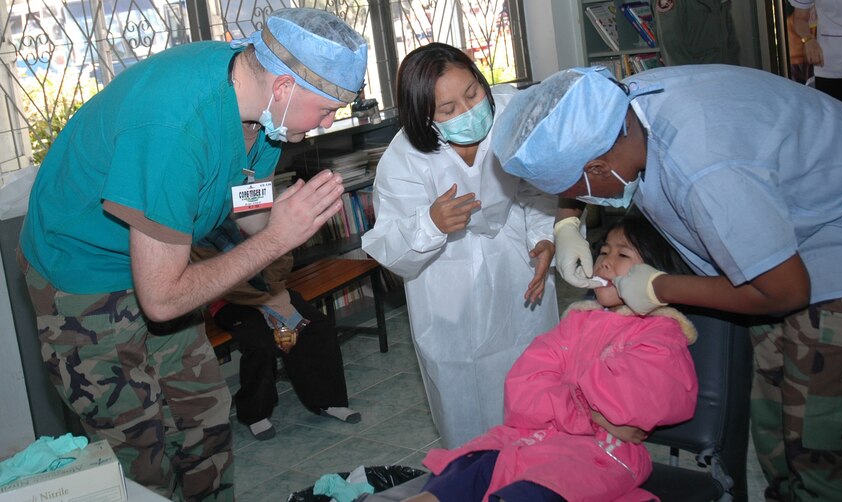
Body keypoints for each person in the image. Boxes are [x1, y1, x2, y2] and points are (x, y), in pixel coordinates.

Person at [491, 65, 842, 501]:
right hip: (783, 231)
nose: (586, 202)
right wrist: (567, 224)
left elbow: (787, 292)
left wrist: (660, 287)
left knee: (825, 447)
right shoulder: (621, 110)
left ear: (599, 165)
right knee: (778, 428)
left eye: (580, 192)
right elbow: (576, 154)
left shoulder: (705, 169)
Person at [17, 8, 367, 500]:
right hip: (84, 275)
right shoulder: (175, 129)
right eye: (327, 108)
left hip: (164, 259)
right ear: (285, 88)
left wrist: (281, 220)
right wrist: (275, 240)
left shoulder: (263, 114)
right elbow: (160, 299)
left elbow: (245, 198)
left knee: (201, 415)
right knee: (138, 445)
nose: (328, 123)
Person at [404, 216, 699, 502]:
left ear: (656, 276)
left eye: (622, 254)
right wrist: (590, 412)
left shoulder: (662, 335)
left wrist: (568, 401)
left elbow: (626, 405)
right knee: (468, 468)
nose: (605, 261)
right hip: (536, 437)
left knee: (536, 487)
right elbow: (523, 387)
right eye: (604, 251)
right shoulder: (578, 321)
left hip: (602, 454)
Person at [361, 43, 560, 449]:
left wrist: (543, 236)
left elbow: (539, 186)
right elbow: (389, 250)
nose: (468, 112)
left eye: (472, 93)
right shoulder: (403, 160)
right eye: (448, 109)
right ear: (424, 116)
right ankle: (475, 469)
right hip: (446, 280)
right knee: (465, 390)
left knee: (536, 374)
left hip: (516, 258)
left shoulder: (514, 113)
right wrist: (429, 224)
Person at [191, 217, 360, 442]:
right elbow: (218, 281)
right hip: (230, 301)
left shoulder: (248, 214)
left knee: (315, 327)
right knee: (261, 344)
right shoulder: (195, 232)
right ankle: (255, 413)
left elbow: (280, 255)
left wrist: (274, 295)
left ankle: (327, 401)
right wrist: (267, 303)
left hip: (273, 292)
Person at [653, 0, 740, 67]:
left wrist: (734, 71)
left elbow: (731, 38)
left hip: (724, 71)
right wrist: (689, 83)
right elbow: (671, 47)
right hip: (696, 76)